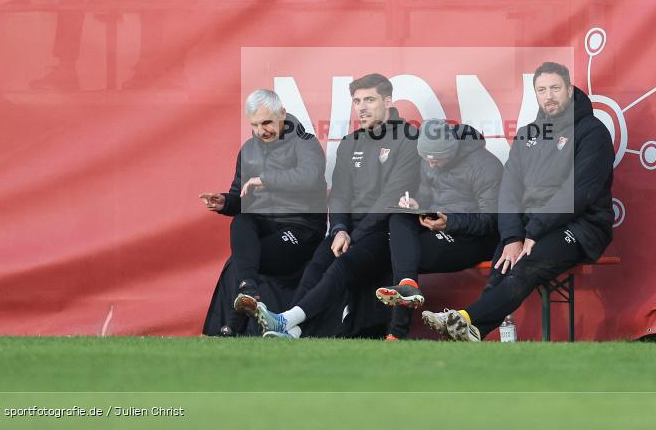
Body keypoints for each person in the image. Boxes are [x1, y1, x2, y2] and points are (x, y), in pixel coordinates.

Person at [421, 62, 615, 341]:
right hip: (529, 228)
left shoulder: (592, 132)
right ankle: (472, 331)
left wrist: (533, 231)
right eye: (542, 90)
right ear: (535, 94)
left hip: (581, 226)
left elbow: (577, 194)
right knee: (503, 265)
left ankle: (466, 318)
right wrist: (512, 236)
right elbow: (509, 191)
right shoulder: (527, 135)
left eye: (555, 88)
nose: (549, 95)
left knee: (528, 262)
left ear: (570, 90)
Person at [235, 73, 421, 338]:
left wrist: (352, 236)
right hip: (349, 232)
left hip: (386, 231)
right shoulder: (350, 143)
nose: (362, 107)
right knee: (316, 266)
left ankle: (284, 321)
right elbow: (340, 195)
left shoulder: (409, 139)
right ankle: (293, 331)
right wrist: (340, 228)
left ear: (388, 101)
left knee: (342, 266)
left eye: (369, 99)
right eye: (357, 101)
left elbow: (390, 199)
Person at [199, 89, 327, 336]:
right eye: (255, 125)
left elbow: (309, 178)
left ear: (282, 114)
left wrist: (265, 180)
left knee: (242, 260)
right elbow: (241, 197)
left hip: (302, 228)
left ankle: (230, 327)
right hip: (264, 223)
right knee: (241, 221)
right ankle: (248, 290)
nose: (261, 130)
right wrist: (225, 202)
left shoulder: (306, 143)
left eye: (267, 122)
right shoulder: (248, 150)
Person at [376, 119, 502, 340]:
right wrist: (418, 206)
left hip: (473, 238)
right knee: (398, 217)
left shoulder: (486, 166)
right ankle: (408, 285)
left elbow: (490, 222)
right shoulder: (428, 160)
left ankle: (397, 331)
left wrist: (450, 222)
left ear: (453, 149)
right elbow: (426, 195)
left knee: (403, 255)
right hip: (440, 225)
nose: (431, 165)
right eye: (427, 159)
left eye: (438, 159)